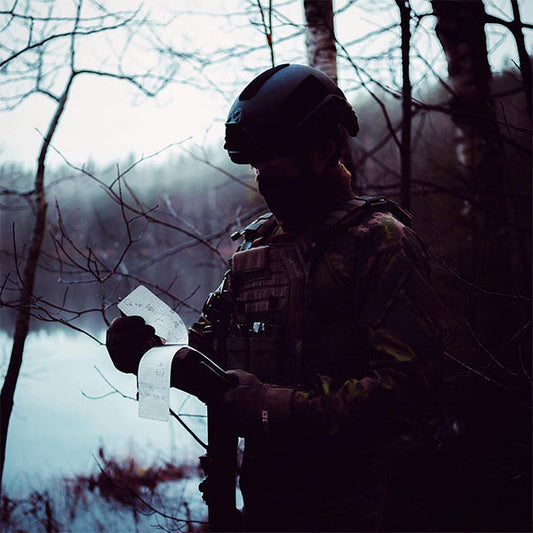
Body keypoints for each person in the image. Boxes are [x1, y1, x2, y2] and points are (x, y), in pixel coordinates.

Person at [106, 63, 443, 532]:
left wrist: (271, 406)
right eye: (256, 167)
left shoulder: (380, 242)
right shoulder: (260, 245)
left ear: (321, 150)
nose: (263, 179)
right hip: (263, 506)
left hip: (356, 511)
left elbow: (410, 392)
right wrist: (150, 355)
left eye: (273, 162)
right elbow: (210, 352)